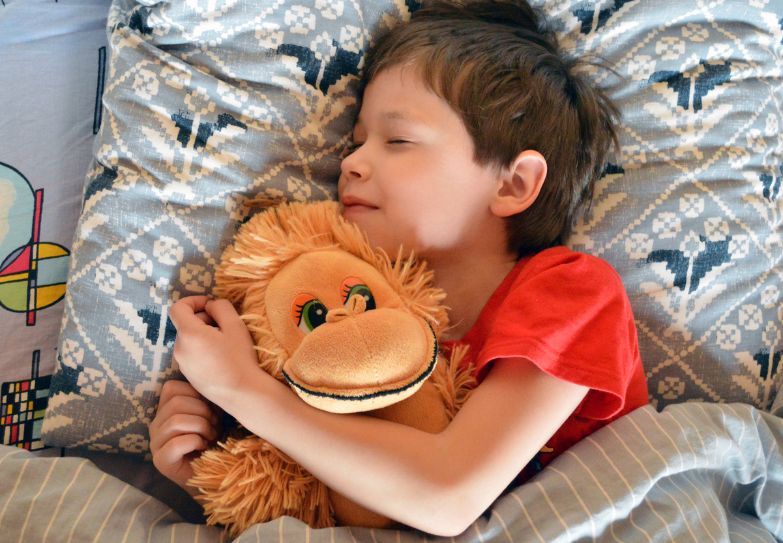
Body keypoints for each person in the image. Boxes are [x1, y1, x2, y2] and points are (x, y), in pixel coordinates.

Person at [149, 0, 649, 536]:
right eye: (357, 141)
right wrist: (205, 470)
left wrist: (243, 391)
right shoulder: (344, 314)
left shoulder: (570, 291)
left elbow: (446, 493)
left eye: (398, 140)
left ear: (512, 184)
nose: (350, 162)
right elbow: (351, 501)